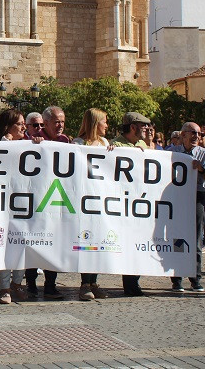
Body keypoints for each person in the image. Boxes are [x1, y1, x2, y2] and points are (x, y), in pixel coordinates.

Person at [22, 105, 69, 300]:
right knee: (34, 242)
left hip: (55, 199)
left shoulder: (65, 141)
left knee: (54, 243)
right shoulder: (31, 140)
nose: (60, 126)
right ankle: (30, 283)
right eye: (57, 122)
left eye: (63, 122)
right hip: (34, 200)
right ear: (46, 123)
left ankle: (50, 284)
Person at [167, 122, 205, 293]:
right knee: (175, 237)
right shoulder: (172, 153)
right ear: (183, 135)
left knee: (195, 239)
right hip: (175, 198)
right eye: (192, 133)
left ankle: (195, 278)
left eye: (199, 134)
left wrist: (201, 170)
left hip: (196, 197)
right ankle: (176, 278)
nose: (196, 136)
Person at [0, 108, 29, 303]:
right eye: (19, 124)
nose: (24, 127)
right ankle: (5, 287)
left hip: (22, 202)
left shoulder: (27, 145)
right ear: (8, 127)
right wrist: (6, 141)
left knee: (21, 243)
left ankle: (18, 283)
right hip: (1, 203)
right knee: (3, 244)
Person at [111, 111, 151, 296]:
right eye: (143, 126)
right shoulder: (116, 145)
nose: (147, 129)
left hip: (141, 202)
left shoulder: (143, 144)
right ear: (133, 127)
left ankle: (135, 279)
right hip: (123, 202)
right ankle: (129, 282)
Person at [73, 108, 111, 301]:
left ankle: (94, 281)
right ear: (96, 123)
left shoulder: (105, 143)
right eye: (105, 122)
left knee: (99, 243)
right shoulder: (78, 144)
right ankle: (84, 283)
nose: (107, 125)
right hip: (84, 200)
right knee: (86, 242)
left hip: (101, 199)